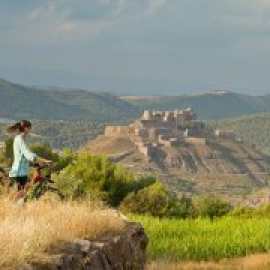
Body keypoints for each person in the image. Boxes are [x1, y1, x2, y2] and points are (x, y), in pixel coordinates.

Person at [7, 120, 52, 191]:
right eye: (30, 128)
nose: (30, 130)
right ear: (26, 128)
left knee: (22, 194)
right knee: (20, 196)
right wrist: (45, 161)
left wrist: (35, 163)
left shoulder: (19, 138)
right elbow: (28, 154)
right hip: (19, 172)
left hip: (20, 171)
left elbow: (24, 155)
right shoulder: (20, 139)